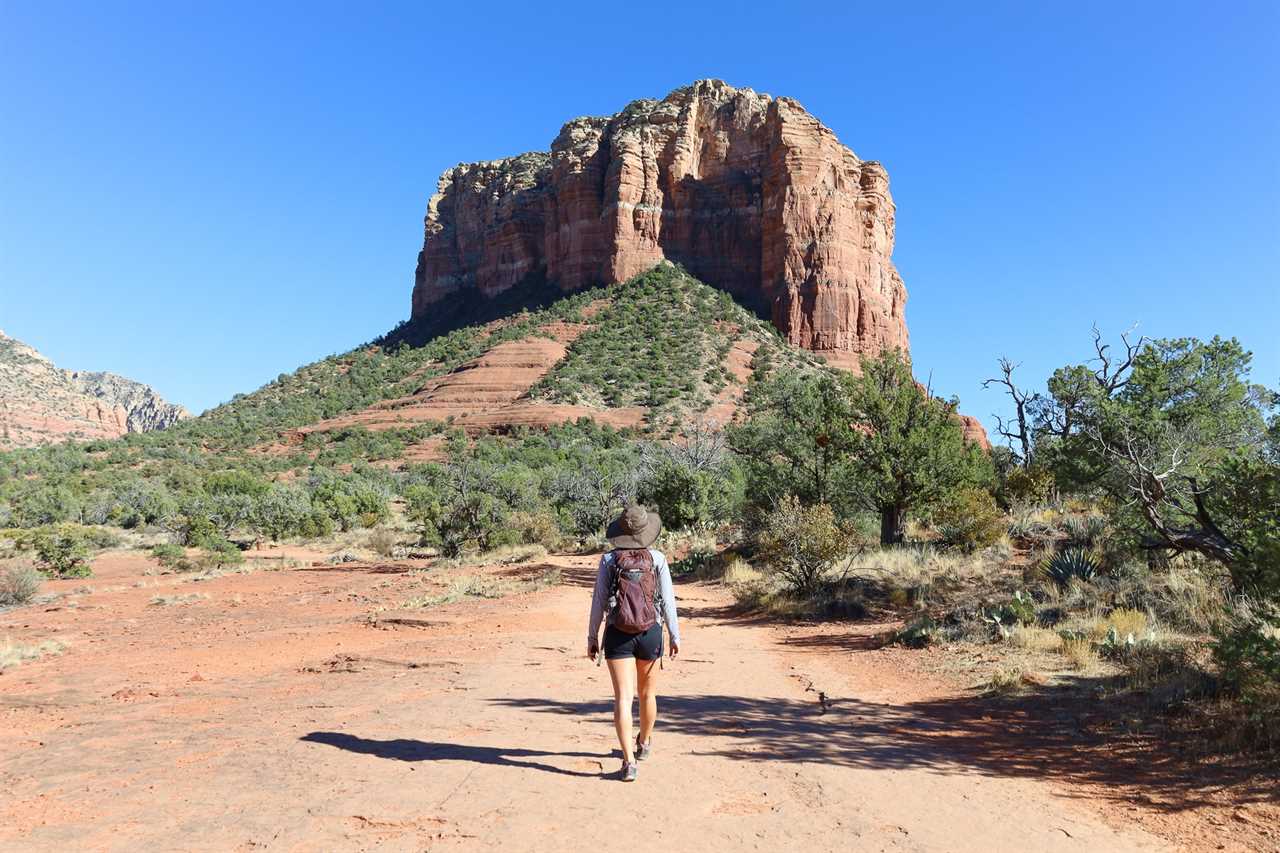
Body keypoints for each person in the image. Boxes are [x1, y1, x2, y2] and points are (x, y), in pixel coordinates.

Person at [586, 503, 680, 782]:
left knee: (624, 698)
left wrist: (592, 636)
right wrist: (674, 635)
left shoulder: (608, 560)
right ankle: (645, 743)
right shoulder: (658, 559)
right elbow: (668, 601)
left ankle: (628, 763)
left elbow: (599, 602)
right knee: (648, 695)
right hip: (650, 631)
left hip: (618, 632)